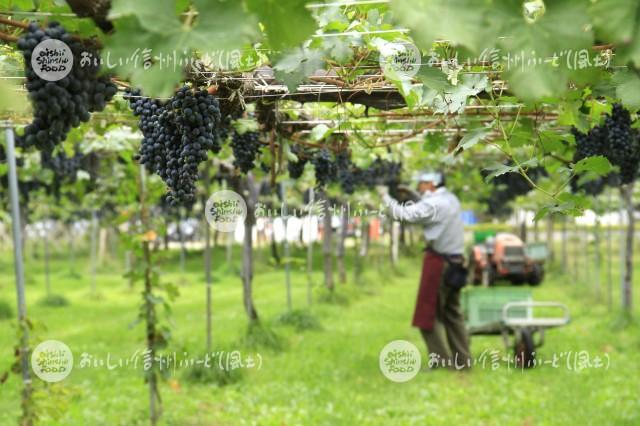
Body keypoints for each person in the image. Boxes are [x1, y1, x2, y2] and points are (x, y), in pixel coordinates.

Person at [377, 171, 471, 370]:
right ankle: (463, 361)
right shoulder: (451, 199)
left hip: (440, 264)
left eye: (421, 183)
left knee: (427, 316)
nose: (419, 186)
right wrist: (413, 195)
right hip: (457, 263)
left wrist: (384, 196)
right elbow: (429, 208)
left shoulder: (434, 204)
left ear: (432, 184)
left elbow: (403, 215)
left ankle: (442, 363)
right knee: (452, 314)